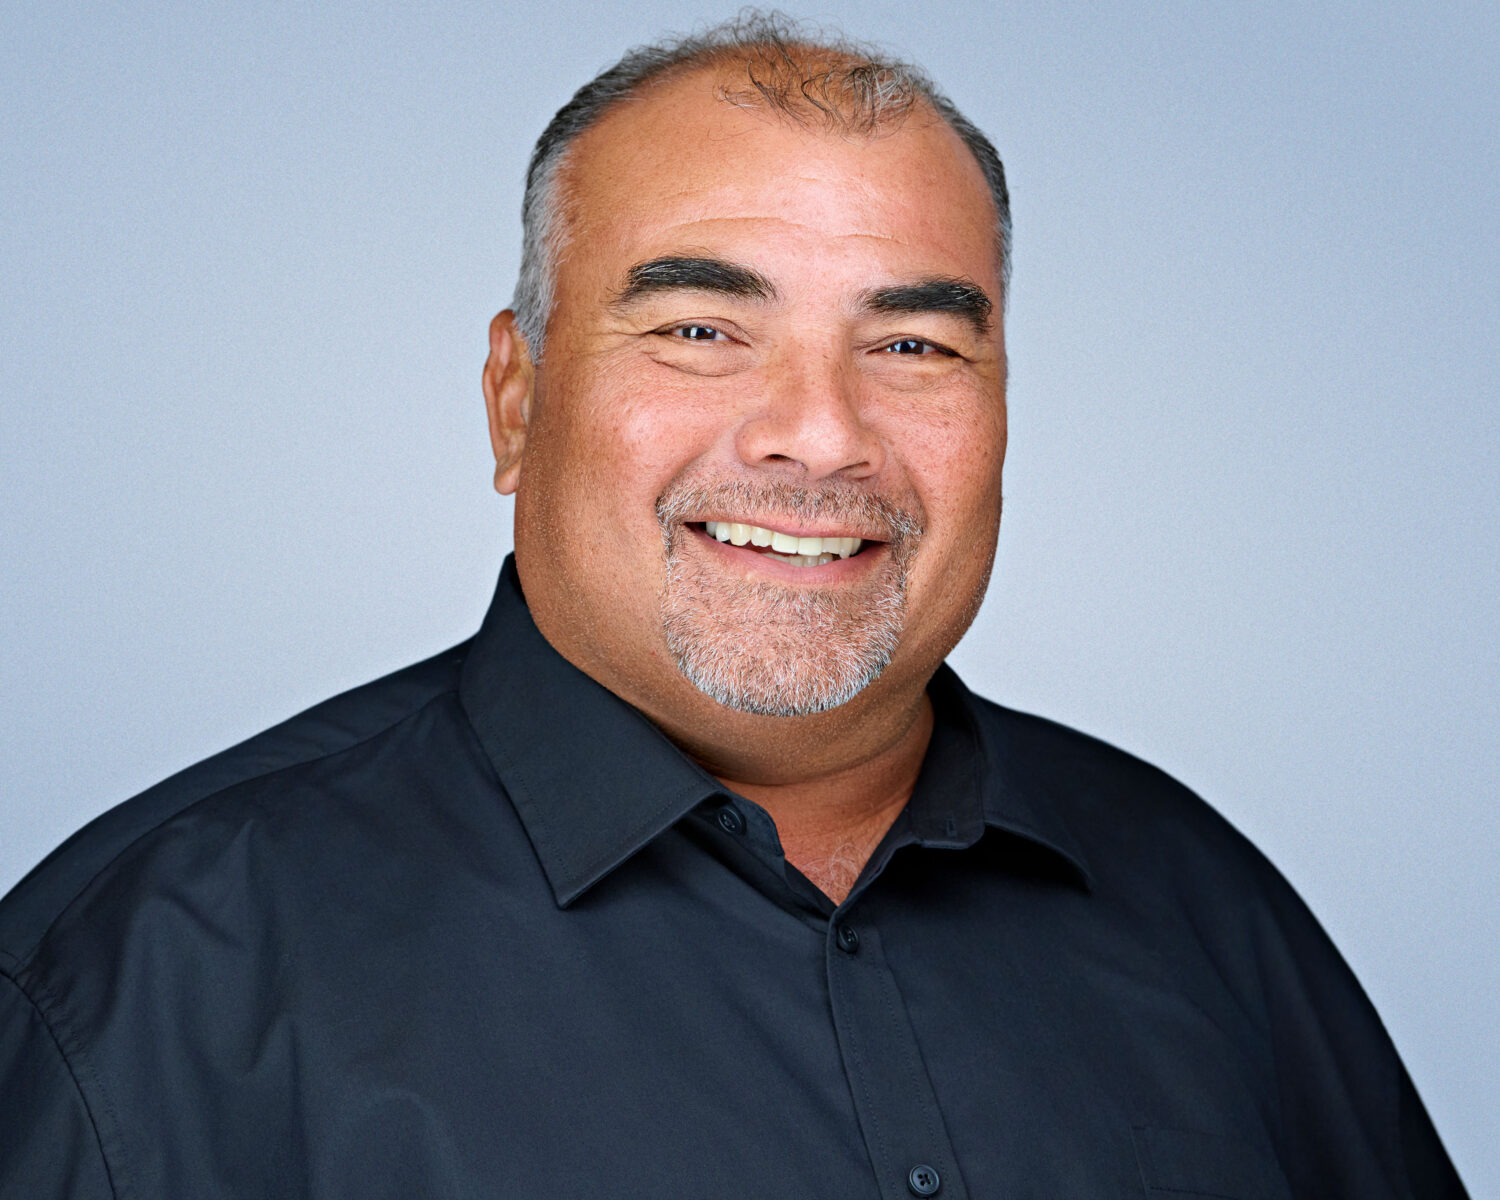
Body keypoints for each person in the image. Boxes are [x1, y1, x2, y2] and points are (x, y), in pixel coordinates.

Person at [0, 14, 1468, 1199]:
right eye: (702, 329)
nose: (819, 436)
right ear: (516, 399)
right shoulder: (138, 980)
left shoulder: (1203, 904)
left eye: (911, 344)